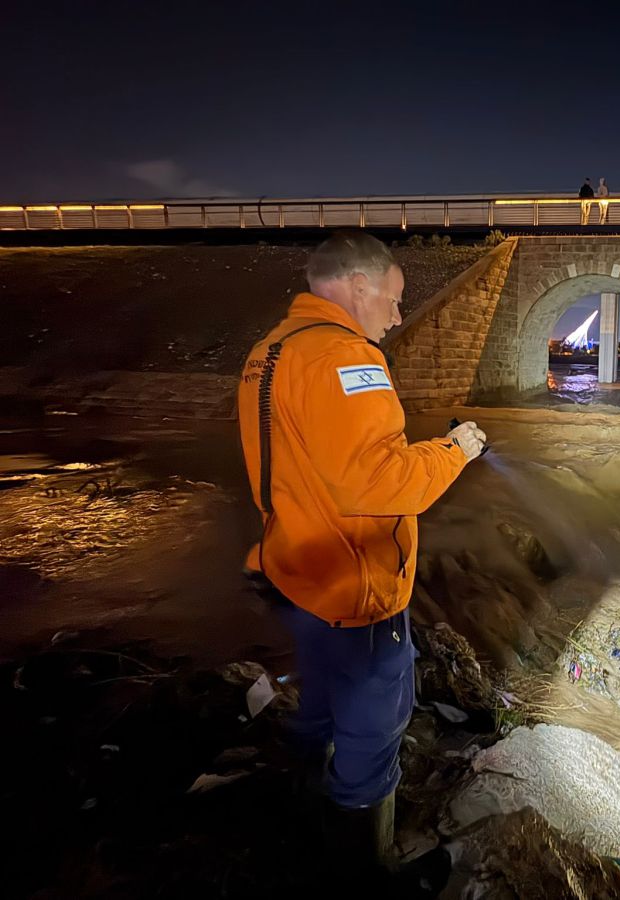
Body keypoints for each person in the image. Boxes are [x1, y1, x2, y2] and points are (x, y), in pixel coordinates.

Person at [236, 231, 486, 879]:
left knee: (318, 706)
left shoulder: (271, 350)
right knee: (373, 732)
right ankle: (363, 871)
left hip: (296, 570)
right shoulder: (347, 357)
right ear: (358, 285)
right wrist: (454, 450)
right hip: (357, 589)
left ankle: (296, 824)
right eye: (395, 299)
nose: (399, 317)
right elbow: (380, 484)